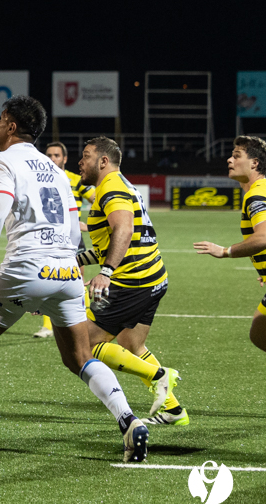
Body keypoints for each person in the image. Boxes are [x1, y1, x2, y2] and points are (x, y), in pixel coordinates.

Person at [0, 97, 148, 461]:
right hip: (66, 272)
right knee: (80, 357)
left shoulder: (1, 161)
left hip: (27, 266)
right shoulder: (56, 170)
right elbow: (73, 229)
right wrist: (52, 279)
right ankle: (129, 420)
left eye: (0, 120)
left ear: (11, 126)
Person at [75, 137, 184, 426]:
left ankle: (160, 375)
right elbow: (120, 241)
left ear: (103, 161)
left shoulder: (110, 186)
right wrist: (78, 259)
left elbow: (124, 230)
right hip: (152, 276)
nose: (80, 162)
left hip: (132, 280)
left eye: (86, 156)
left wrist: (106, 272)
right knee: (132, 343)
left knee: (86, 344)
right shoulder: (122, 185)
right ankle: (173, 410)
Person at [194, 135, 266, 354]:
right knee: (260, 333)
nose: (229, 160)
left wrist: (226, 251)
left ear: (254, 163)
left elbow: (264, 237)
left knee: (260, 333)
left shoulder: (257, 195)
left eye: (237, 156)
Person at [30, 141, 93, 339]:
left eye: (56, 155)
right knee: (47, 276)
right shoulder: (38, 179)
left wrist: (89, 224)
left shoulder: (76, 180)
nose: (52, 159)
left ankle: (83, 321)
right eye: (48, 155)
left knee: (77, 279)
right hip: (48, 236)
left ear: (64, 159)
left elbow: (99, 200)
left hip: (72, 237)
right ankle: (47, 326)